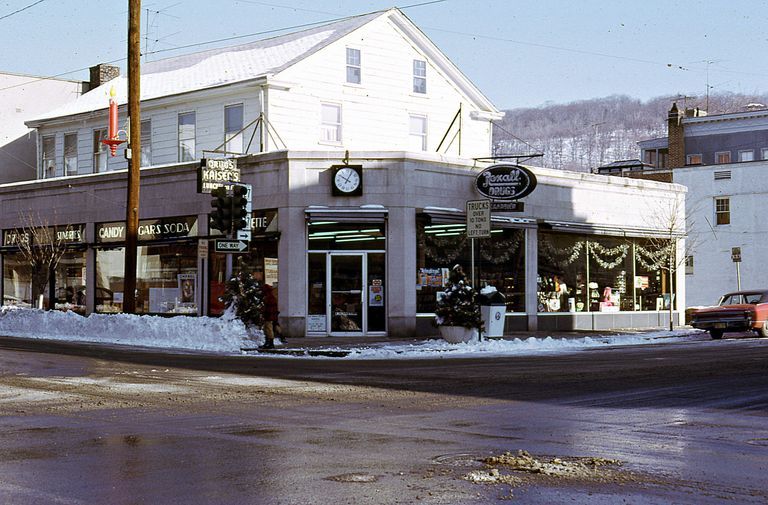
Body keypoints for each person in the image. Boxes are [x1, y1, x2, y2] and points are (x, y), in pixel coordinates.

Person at [260, 284, 278, 350]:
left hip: (269, 316)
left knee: (269, 329)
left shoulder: (269, 298)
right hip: (268, 315)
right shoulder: (269, 297)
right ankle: (267, 343)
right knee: (267, 329)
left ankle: (270, 343)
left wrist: (266, 314)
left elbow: (270, 308)